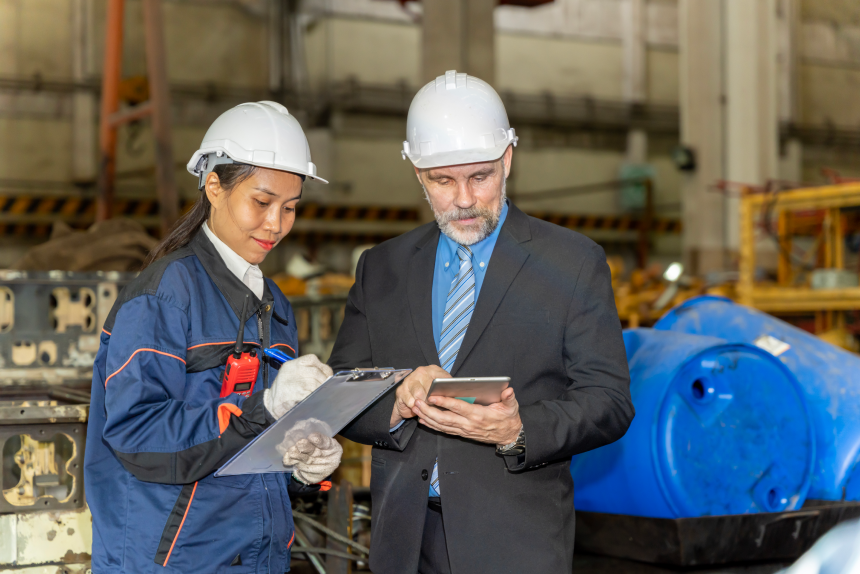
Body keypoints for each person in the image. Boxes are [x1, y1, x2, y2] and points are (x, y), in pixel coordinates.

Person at [329, 71, 635, 574]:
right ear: (417, 172)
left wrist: (518, 429)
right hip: (403, 542)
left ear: (508, 160)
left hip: (515, 543)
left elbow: (609, 401)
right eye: (442, 181)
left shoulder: (572, 263)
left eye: (481, 176)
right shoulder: (381, 267)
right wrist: (398, 398)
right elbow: (345, 388)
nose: (465, 199)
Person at [85, 101, 342, 573]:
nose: (276, 224)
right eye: (262, 202)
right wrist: (263, 408)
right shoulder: (165, 296)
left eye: (290, 208)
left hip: (257, 557)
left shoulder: (275, 306)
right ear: (214, 186)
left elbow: (249, 451)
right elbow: (137, 434)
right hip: (174, 561)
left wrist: (302, 464)